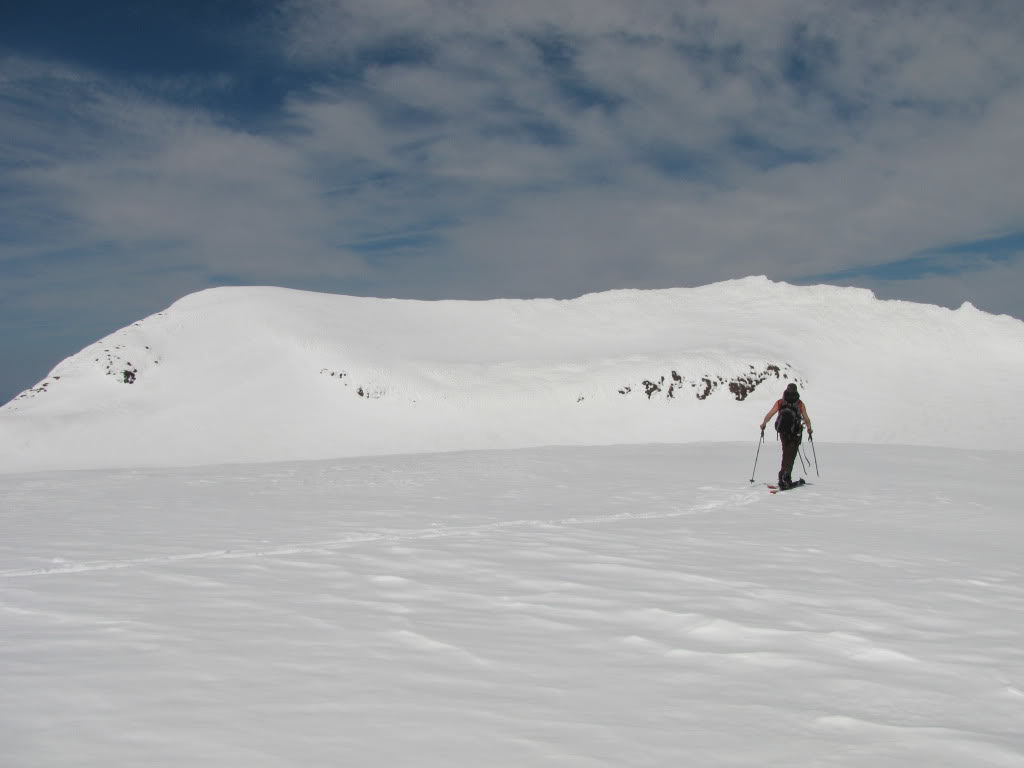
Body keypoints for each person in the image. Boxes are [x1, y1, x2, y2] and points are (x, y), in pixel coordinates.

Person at [759, 383, 812, 489]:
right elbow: (806, 418)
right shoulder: (800, 403)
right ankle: (785, 477)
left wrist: (764, 424)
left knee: (786, 453)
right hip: (795, 433)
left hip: (783, 432)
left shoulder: (780, 402)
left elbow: (770, 414)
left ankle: (783, 476)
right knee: (790, 455)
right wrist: (809, 429)